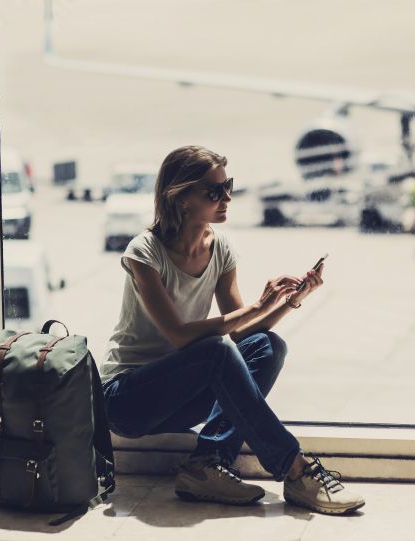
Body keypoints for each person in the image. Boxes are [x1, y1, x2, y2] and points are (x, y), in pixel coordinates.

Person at [100, 145, 365, 515]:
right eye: (213, 191)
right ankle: (294, 468)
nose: (226, 198)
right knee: (216, 350)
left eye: (229, 186)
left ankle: (206, 465)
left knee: (269, 345)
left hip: (180, 394)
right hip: (127, 399)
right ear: (181, 198)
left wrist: (288, 302)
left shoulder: (220, 248)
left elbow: (242, 334)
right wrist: (259, 305)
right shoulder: (145, 252)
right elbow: (179, 335)